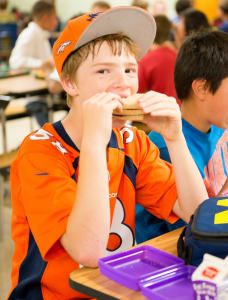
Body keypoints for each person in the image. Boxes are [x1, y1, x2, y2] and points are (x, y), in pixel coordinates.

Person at [8, 7, 208, 299]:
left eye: (129, 70)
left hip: (114, 288)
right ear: (69, 82)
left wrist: (175, 139)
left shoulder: (131, 140)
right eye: (103, 70)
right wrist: (94, 143)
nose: (124, 84)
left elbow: (196, 215)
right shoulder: (39, 151)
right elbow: (88, 252)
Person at [135, 29, 228, 244]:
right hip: (173, 257)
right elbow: (198, 228)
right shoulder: (164, 147)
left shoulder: (220, 128)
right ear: (202, 88)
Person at [9, 1, 58, 127]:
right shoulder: (30, 34)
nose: (56, 21)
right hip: (34, 96)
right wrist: (42, 63)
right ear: (45, 18)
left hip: (44, 90)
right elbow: (15, 61)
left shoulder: (41, 33)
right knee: (48, 128)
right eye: (54, 17)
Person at [138, 15, 180, 107]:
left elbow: (137, 93)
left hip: (157, 112)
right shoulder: (179, 56)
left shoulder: (146, 60)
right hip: (180, 111)